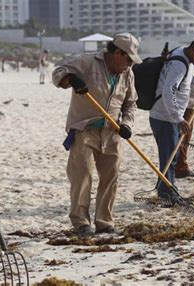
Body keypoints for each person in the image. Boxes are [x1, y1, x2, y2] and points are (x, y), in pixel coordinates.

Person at [52, 33, 141, 236]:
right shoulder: (87, 62)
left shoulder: (128, 73)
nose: (129, 64)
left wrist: (127, 124)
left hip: (112, 132)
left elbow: (130, 103)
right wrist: (71, 79)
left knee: (111, 177)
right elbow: (58, 72)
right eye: (127, 59)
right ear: (117, 53)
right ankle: (81, 222)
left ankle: (104, 221)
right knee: (82, 175)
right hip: (85, 129)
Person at [149, 35, 194, 200]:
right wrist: (178, 118)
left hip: (168, 115)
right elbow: (168, 91)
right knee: (169, 157)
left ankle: (165, 189)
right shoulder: (179, 63)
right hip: (165, 117)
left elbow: (187, 79)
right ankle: (166, 193)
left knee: (170, 155)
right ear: (193, 48)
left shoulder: (185, 57)